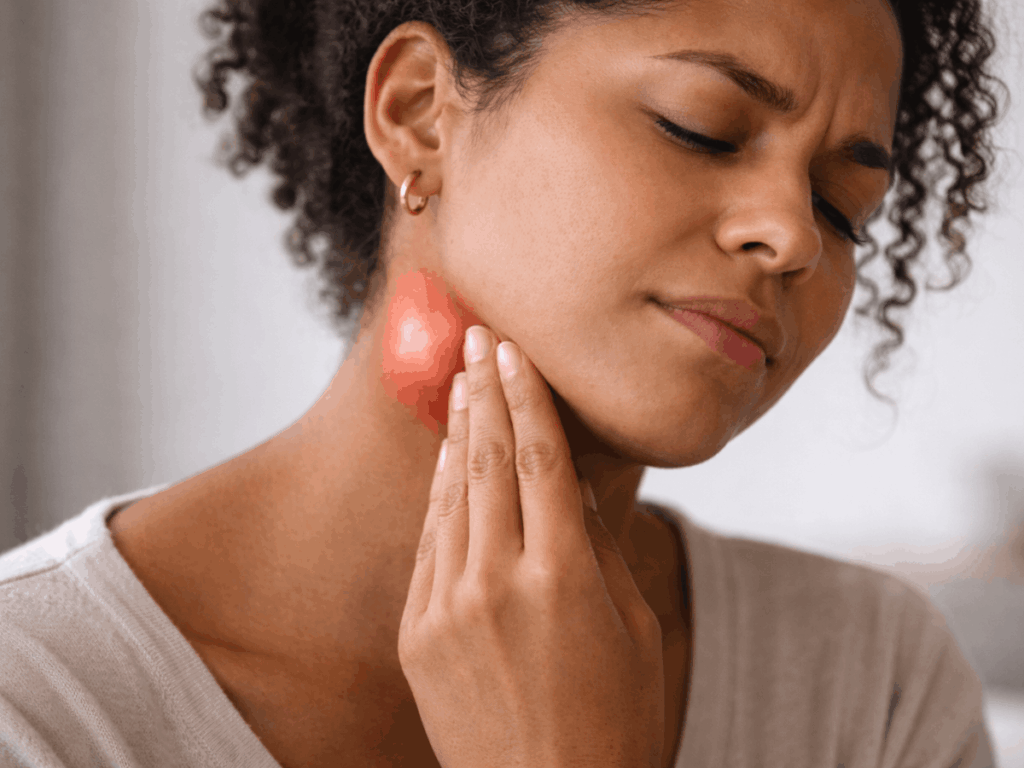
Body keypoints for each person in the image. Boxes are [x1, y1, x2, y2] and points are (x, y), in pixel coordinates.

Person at [0, 0, 1010, 765]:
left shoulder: (868, 690)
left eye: (841, 207)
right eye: (700, 127)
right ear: (421, 114)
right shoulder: (34, 702)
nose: (790, 237)